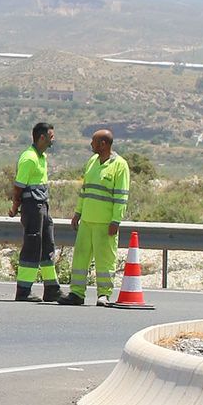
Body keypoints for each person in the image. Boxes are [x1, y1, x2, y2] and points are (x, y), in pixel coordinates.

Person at [62, 127, 129, 305]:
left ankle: (103, 295)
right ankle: (76, 293)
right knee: (80, 258)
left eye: (94, 141)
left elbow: (121, 196)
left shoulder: (119, 165)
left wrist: (116, 220)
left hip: (105, 223)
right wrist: (78, 212)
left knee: (105, 260)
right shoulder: (92, 161)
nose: (91, 144)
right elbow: (85, 191)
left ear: (103, 144)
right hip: (87, 221)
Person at [10, 120, 59, 300]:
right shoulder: (29, 158)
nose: (53, 140)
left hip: (42, 206)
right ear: (41, 137)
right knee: (32, 245)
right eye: (51, 137)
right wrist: (15, 206)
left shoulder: (42, 157)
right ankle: (23, 290)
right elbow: (18, 187)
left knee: (47, 244)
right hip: (32, 207)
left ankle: (51, 288)